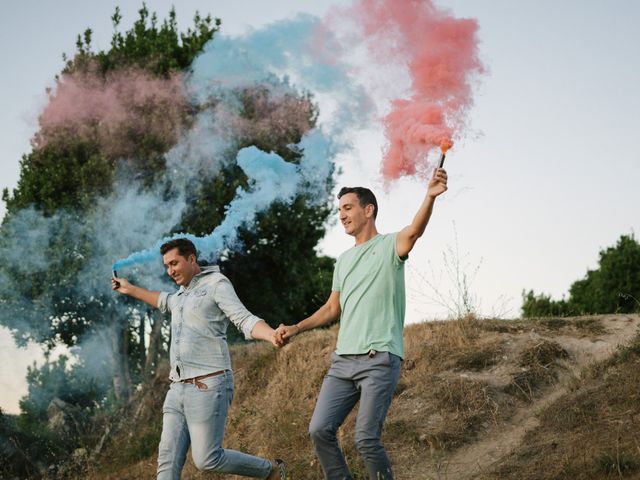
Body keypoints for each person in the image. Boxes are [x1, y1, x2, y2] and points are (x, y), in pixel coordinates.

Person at [275, 167, 448, 479]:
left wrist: (430, 196)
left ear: (368, 210)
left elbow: (414, 231)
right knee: (319, 429)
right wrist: (297, 327)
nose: (341, 215)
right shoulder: (343, 260)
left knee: (366, 439)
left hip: (378, 358)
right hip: (342, 362)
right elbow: (331, 308)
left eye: (348, 207)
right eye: (339, 210)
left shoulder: (390, 246)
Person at [112, 238, 285, 480]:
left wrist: (271, 335)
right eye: (167, 266)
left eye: (174, 263)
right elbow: (163, 300)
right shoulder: (181, 295)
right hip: (177, 389)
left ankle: (271, 471)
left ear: (191, 259)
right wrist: (129, 288)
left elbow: (243, 319)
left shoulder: (217, 284)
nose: (170, 271)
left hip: (209, 385)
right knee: (166, 462)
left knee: (206, 459)